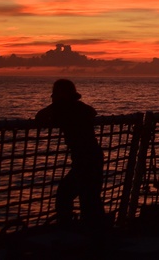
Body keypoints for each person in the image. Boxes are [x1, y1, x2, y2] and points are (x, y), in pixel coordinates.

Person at [36, 79, 107, 232]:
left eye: (54, 93)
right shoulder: (80, 108)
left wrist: (55, 108)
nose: (52, 96)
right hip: (94, 156)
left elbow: (39, 116)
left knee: (65, 195)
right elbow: (92, 111)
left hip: (83, 159)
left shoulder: (61, 108)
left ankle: (68, 231)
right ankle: (98, 233)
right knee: (91, 197)